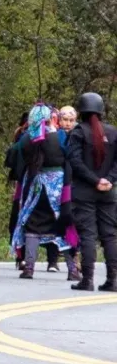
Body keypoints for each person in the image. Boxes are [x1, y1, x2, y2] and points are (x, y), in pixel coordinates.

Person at [9, 104, 78, 280]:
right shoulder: (61, 136)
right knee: (63, 224)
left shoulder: (27, 139)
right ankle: (73, 270)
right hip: (58, 188)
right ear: (51, 119)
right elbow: (70, 159)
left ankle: (29, 267)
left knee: (32, 223)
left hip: (36, 186)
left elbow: (13, 157)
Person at [68, 92, 117, 292]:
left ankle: (87, 280)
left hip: (84, 192)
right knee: (110, 236)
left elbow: (75, 162)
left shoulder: (78, 132)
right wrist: (109, 180)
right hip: (108, 192)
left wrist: (94, 181)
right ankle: (113, 280)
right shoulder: (114, 132)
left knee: (88, 235)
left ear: (81, 111)